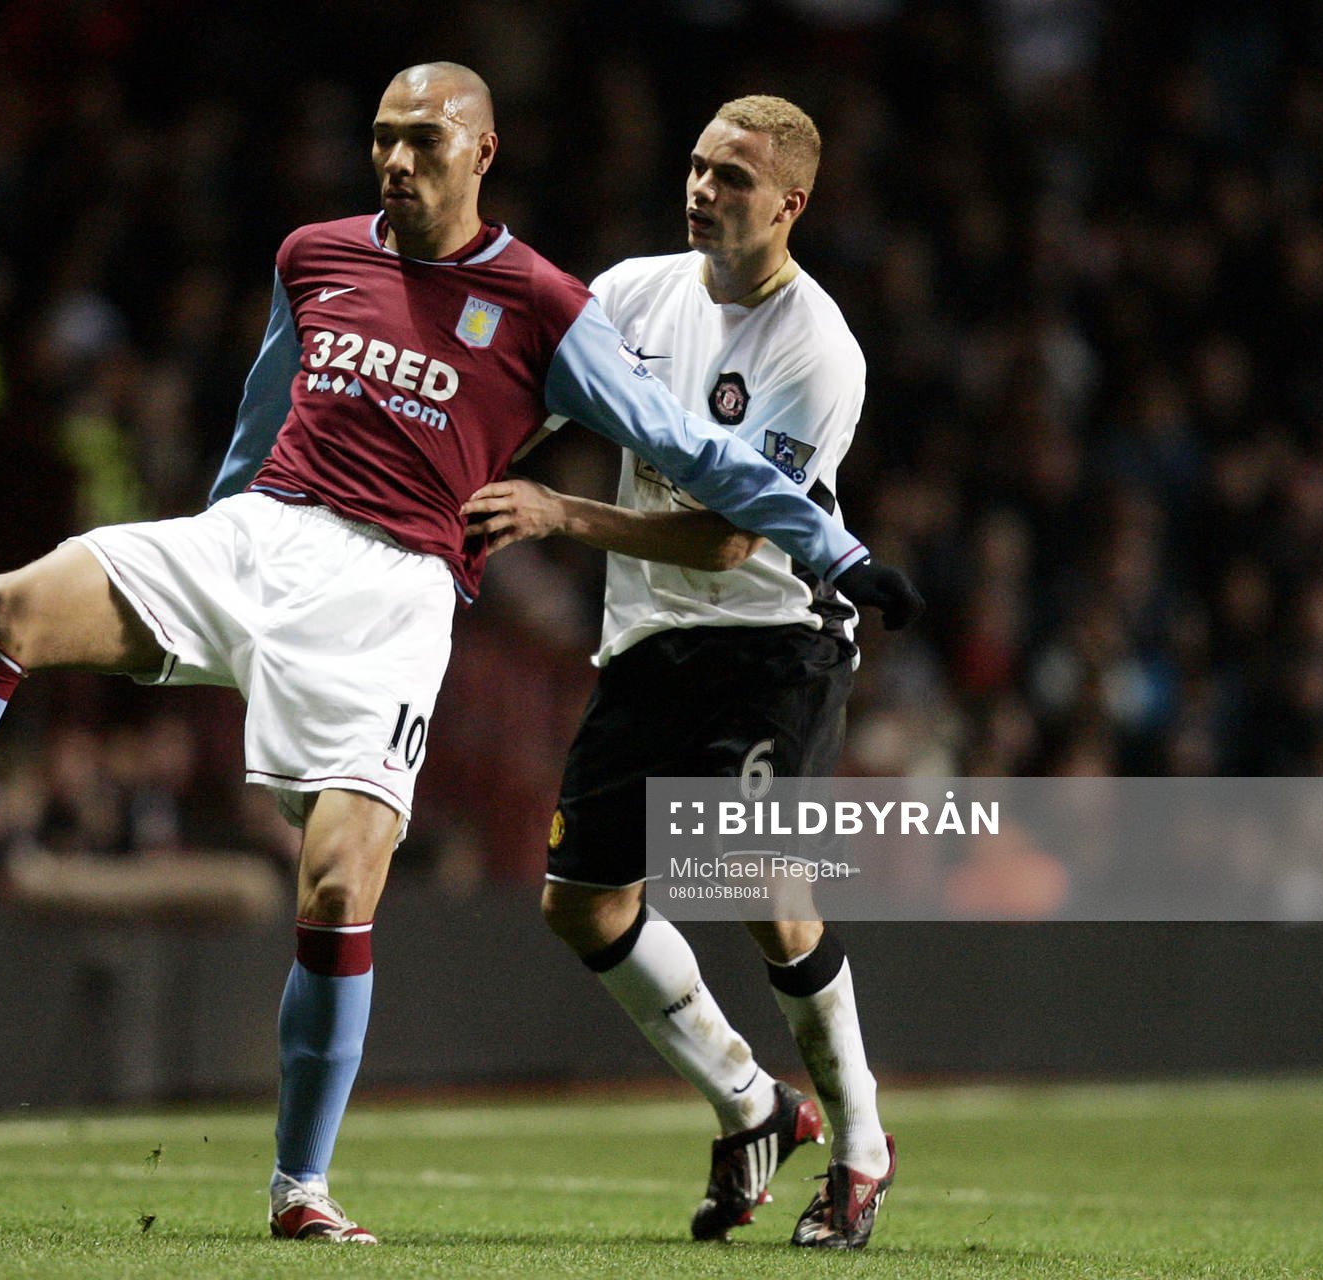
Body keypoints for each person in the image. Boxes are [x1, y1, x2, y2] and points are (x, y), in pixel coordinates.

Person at [0, 66, 920, 1244]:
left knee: (361, 884)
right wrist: (213, 569)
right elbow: (262, 411)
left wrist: (834, 547)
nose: (395, 159)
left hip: (435, 600)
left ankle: (307, 1185)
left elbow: (694, 459)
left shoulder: (567, 305)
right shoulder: (319, 254)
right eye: (382, 137)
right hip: (268, 535)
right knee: (3, 605)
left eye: (422, 140)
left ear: (481, 152)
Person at [463, 95, 897, 1249]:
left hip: (776, 637)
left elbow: (729, 539)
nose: (703, 189)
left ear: (791, 203)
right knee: (583, 901)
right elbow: (527, 412)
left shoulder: (817, 347)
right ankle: (754, 1102)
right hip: (651, 638)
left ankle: (860, 1144)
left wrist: (561, 512)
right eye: (699, 166)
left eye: (733, 177)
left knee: (757, 880)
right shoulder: (628, 294)